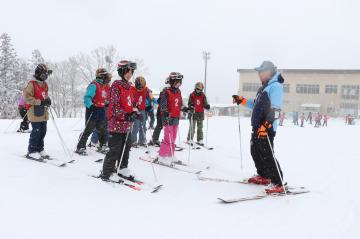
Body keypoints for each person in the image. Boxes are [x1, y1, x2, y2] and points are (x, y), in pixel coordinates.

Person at [232, 61, 285, 194]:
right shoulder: (263, 88)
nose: (259, 74)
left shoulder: (275, 86)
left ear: (269, 71)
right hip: (257, 127)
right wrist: (242, 100)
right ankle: (263, 175)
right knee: (255, 151)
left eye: (262, 71)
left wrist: (265, 126)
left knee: (267, 154)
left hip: (267, 128)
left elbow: (276, 110)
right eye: (259, 72)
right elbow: (254, 105)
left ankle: (278, 183)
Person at [100, 60, 139, 181]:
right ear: (121, 72)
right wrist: (126, 115)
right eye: (127, 71)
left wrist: (134, 112)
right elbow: (115, 106)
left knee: (126, 148)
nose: (129, 74)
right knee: (115, 149)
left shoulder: (129, 87)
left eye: (131, 72)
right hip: (116, 123)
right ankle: (107, 172)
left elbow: (130, 104)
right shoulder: (116, 86)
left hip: (126, 124)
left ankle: (122, 168)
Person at [75, 68, 110, 155]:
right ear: (101, 76)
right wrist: (91, 105)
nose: (107, 78)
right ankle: (80, 147)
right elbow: (87, 97)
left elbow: (102, 98)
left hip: (101, 110)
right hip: (93, 110)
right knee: (88, 129)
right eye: (105, 76)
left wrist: (106, 103)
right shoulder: (94, 85)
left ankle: (102, 146)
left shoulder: (102, 86)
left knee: (102, 130)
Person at [156, 72, 188, 164]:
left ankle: (170, 154)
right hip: (168, 118)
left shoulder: (178, 91)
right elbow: (162, 104)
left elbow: (180, 104)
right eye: (177, 81)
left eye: (180, 81)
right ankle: (162, 156)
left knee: (173, 138)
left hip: (176, 118)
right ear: (172, 81)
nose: (179, 83)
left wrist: (186, 109)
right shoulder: (166, 91)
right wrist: (165, 111)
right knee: (167, 138)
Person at [23, 64, 52, 160]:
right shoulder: (32, 84)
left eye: (46, 75)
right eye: (43, 75)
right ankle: (32, 151)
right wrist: (40, 102)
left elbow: (45, 95)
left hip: (43, 112)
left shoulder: (44, 84)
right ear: (38, 73)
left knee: (43, 131)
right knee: (36, 131)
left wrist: (48, 100)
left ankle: (40, 149)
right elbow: (27, 98)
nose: (45, 77)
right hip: (34, 111)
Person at [89, 73, 112, 148]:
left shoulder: (108, 86)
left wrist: (108, 102)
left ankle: (104, 142)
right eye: (108, 78)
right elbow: (98, 95)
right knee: (99, 125)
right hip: (99, 107)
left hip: (106, 107)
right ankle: (94, 141)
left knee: (105, 126)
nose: (109, 80)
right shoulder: (98, 85)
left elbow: (109, 96)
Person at [149, 78, 170, 146]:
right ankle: (155, 139)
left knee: (160, 126)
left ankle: (155, 139)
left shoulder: (163, 93)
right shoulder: (164, 93)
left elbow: (158, 101)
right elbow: (160, 102)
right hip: (161, 113)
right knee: (161, 126)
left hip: (162, 113)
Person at [131, 76, 150, 147]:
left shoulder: (146, 90)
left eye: (142, 86)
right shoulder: (132, 89)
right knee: (135, 126)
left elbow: (149, 98)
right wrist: (133, 106)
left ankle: (142, 140)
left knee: (143, 126)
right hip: (135, 109)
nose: (141, 88)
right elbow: (130, 98)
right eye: (139, 86)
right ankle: (133, 140)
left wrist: (148, 104)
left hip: (142, 110)